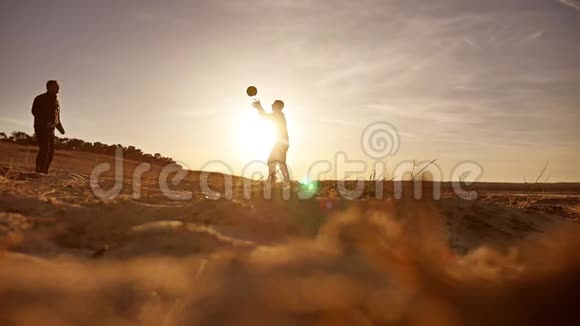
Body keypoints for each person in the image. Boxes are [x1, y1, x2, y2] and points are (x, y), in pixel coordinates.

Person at [252, 99, 290, 183]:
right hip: (282, 142)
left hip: (281, 142)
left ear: (278, 106)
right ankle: (276, 179)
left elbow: (264, 116)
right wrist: (259, 108)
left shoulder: (278, 114)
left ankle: (281, 180)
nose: (271, 105)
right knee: (275, 161)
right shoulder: (280, 114)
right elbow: (264, 116)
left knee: (276, 161)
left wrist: (259, 107)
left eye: (273, 104)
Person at [31, 80, 65, 174]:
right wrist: (45, 122)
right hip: (41, 128)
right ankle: (38, 171)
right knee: (44, 150)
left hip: (51, 129)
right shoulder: (40, 98)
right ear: (50, 87)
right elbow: (35, 111)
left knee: (51, 152)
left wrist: (60, 128)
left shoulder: (56, 101)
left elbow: (56, 116)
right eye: (56, 86)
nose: (58, 88)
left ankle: (44, 171)